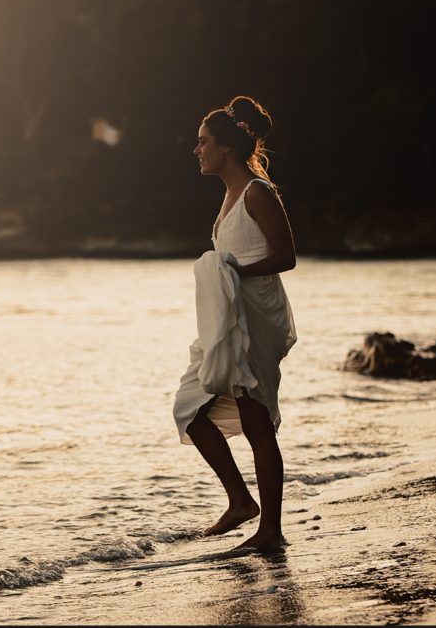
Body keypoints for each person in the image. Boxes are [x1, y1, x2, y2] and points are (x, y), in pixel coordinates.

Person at [173, 95, 297, 551]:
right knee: (189, 409)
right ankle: (241, 501)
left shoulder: (257, 193)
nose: (196, 149)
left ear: (225, 147)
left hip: (255, 317)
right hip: (225, 321)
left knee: (256, 421)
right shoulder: (228, 196)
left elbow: (286, 256)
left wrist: (233, 273)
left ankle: (271, 532)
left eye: (203, 142)